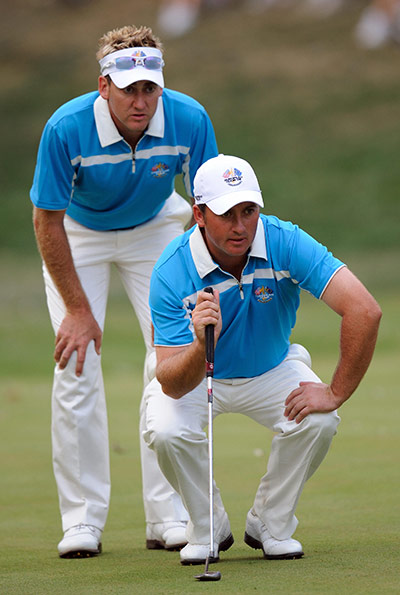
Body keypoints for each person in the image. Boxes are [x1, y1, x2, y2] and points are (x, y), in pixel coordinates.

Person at [30, 24, 218, 558]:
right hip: (78, 232)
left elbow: (205, 207)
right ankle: (82, 521)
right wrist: (78, 311)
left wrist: (191, 272)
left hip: (156, 227)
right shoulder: (66, 127)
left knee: (170, 357)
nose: (140, 100)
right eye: (128, 88)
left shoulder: (188, 117)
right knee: (77, 360)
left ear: (161, 86)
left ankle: (167, 515)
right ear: (103, 85)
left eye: (149, 88)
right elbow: (47, 221)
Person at [143, 154, 381, 565]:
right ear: (198, 214)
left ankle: (270, 522)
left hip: (271, 368)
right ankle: (207, 526)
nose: (240, 226)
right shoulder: (171, 269)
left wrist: (335, 391)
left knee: (320, 418)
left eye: (248, 211)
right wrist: (200, 345)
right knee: (166, 430)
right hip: (199, 376)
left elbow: (364, 309)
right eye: (226, 214)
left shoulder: (284, 241)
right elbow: (171, 382)